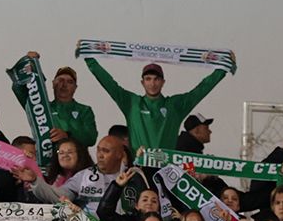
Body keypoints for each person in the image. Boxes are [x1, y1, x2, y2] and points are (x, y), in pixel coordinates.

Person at [84, 57, 230, 152]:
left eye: (156, 79)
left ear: (163, 82)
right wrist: (89, 59)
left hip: (165, 170)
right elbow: (109, 83)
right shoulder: (132, 103)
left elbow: (201, 90)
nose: (152, 83)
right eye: (148, 79)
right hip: (138, 166)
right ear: (142, 82)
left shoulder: (175, 106)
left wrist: (223, 69)